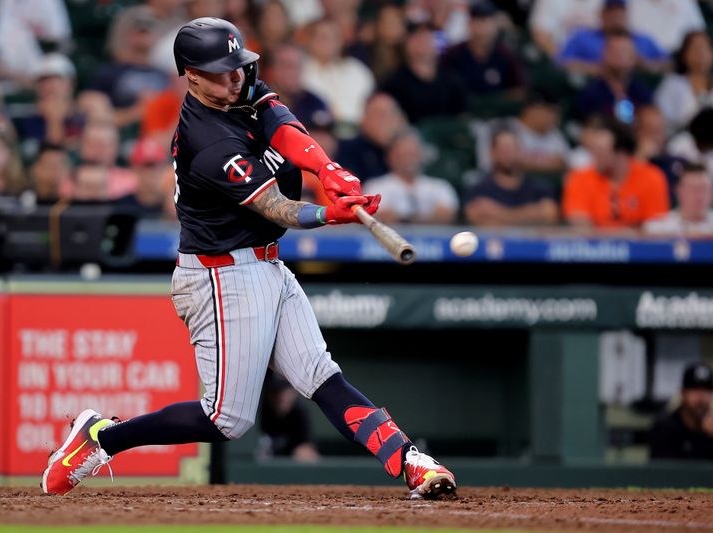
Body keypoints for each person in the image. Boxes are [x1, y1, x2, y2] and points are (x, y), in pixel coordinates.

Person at [41, 17, 456, 501]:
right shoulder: (207, 141)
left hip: (266, 264)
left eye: (238, 67)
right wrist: (330, 213)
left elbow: (281, 124)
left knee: (320, 375)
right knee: (226, 419)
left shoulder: (240, 87)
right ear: (190, 74)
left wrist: (327, 167)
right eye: (221, 71)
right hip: (221, 275)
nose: (235, 77)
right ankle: (100, 438)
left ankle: (410, 462)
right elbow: (275, 206)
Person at [563, 118, 669, 229]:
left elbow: (655, 229)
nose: (595, 157)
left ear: (621, 152)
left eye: (601, 150)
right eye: (593, 150)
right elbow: (580, 227)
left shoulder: (652, 178)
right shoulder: (579, 179)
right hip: (595, 246)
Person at [465, 128, 558, 227]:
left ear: (521, 151)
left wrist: (500, 213)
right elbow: (474, 216)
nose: (508, 154)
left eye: (513, 148)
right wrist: (532, 213)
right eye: (503, 149)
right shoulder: (479, 188)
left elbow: (550, 214)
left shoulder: (539, 187)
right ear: (492, 152)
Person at [363, 129, 459, 225]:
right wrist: (427, 218)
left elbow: (446, 215)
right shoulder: (375, 186)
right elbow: (379, 217)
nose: (408, 159)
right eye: (403, 154)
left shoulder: (440, 186)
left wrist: (403, 219)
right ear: (390, 157)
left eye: (412, 153)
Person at [380, 24, 467, 124]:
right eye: (417, 38)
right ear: (407, 44)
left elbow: (462, 117)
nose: (423, 44)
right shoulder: (393, 84)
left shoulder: (453, 80)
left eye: (427, 39)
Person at [557, 0, 668, 76]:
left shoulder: (642, 40)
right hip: (593, 89)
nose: (616, 18)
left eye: (620, 13)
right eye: (612, 13)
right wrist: (598, 69)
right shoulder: (583, 38)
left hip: (635, 90)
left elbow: (667, 64)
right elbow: (561, 63)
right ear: (602, 14)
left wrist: (645, 65)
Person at [301, 18, 375, 128]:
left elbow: (371, 103)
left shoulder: (357, 70)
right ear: (310, 41)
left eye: (335, 37)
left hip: (359, 133)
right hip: (316, 132)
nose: (330, 42)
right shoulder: (300, 70)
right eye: (324, 37)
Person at [442, 0, 526, 97]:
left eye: (486, 22)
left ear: (494, 25)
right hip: (464, 110)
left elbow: (521, 88)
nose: (482, 30)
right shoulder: (453, 55)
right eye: (477, 22)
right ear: (469, 24)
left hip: (500, 110)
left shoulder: (505, 54)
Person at [575, 30, 652, 122]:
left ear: (634, 57)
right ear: (603, 54)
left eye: (625, 52)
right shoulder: (591, 93)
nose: (620, 56)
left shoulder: (642, 92)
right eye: (615, 52)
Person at [649, 363, 713, 460]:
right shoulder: (666, 427)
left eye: (706, 391)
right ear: (682, 393)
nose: (701, 397)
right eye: (695, 390)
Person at [655, 31, 713, 131]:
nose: (701, 53)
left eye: (706, 48)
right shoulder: (672, 84)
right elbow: (661, 122)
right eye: (695, 48)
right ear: (684, 54)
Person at [335, 92, 407, 181]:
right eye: (381, 115)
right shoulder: (346, 150)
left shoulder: (405, 153)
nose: (387, 121)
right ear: (364, 119)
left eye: (391, 115)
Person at [264, 44, 331, 129]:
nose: (294, 72)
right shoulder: (257, 104)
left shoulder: (315, 103)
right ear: (271, 70)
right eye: (288, 66)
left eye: (298, 66)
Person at [259, 371, 320, 462]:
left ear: (294, 391)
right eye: (275, 391)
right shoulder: (259, 410)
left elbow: (306, 450)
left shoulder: (299, 413)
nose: (280, 397)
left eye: (285, 390)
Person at [644, 163, 713, 237]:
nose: (699, 196)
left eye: (704, 189)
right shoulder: (658, 226)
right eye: (693, 189)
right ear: (679, 191)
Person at [114, 138, 171, 218]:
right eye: (149, 165)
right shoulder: (121, 206)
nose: (156, 171)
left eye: (161, 164)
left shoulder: (175, 206)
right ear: (135, 169)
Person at [529, 0, 602, 58]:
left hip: (597, 59)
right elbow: (540, 34)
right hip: (559, 58)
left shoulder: (605, 3)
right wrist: (564, 61)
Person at [627, 0, 704, 54]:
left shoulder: (685, 2)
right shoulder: (631, 3)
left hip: (680, 57)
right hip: (643, 59)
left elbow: (698, 32)